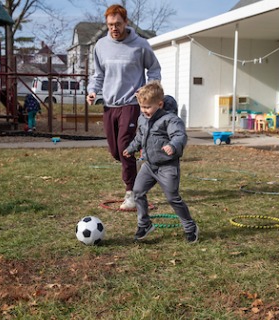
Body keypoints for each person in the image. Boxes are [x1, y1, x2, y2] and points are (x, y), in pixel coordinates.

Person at [87, 4, 161, 210]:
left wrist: (147, 91)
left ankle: (132, 194)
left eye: (118, 24)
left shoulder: (140, 45)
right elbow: (98, 74)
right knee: (115, 151)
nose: (114, 28)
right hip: (110, 105)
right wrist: (93, 90)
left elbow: (154, 69)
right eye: (110, 25)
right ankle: (136, 172)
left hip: (131, 103)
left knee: (125, 147)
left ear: (126, 23)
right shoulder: (100, 46)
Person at [123, 81, 199, 243]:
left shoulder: (170, 120)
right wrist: (131, 148)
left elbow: (180, 136)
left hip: (167, 167)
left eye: (148, 107)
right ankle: (144, 224)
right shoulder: (142, 118)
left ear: (159, 104)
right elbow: (139, 137)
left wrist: (173, 145)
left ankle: (190, 226)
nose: (144, 111)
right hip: (149, 165)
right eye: (142, 107)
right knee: (137, 192)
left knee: (173, 198)